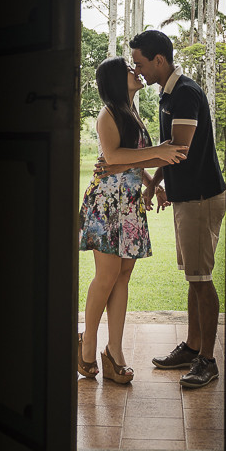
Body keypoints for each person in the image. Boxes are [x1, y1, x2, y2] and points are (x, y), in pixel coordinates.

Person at [78, 55, 188, 384]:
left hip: (128, 202)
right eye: (129, 69)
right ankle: (86, 343)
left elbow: (130, 162)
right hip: (107, 202)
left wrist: (153, 184)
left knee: (123, 275)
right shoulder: (108, 114)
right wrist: (158, 151)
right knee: (107, 275)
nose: (136, 71)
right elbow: (113, 156)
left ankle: (114, 352)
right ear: (115, 79)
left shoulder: (131, 113)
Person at [129, 29, 226, 389]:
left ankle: (208, 361)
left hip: (201, 197)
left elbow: (179, 149)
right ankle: (192, 346)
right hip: (187, 197)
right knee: (193, 278)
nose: (138, 71)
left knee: (202, 280)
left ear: (159, 60)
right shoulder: (168, 94)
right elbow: (170, 147)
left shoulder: (185, 93)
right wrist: (155, 183)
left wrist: (130, 161)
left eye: (140, 63)